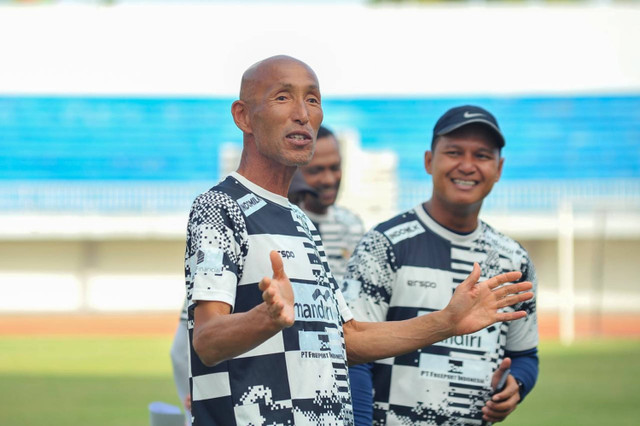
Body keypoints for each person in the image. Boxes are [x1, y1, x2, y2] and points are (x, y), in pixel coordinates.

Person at [184, 56, 534, 425]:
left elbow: (348, 339)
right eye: (283, 97)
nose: (303, 113)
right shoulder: (221, 206)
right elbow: (207, 340)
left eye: (313, 100)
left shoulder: (300, 222)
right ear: (243, 116)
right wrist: (266, 318)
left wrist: (446, 321)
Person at [347, 105, 539, 425]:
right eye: (453, 152)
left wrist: (516, 384)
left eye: (481, 155)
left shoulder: (513, 259)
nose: (467, 166)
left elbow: (524, 356)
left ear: (499, 168)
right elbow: (354, 355)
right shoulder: (384, 244)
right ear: (428, 161)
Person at [288, 125, 365, 283]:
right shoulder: (282, 225)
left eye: (335, 168)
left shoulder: (352, 226)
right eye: (316, 171)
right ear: (293, 171)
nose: (329, 180)